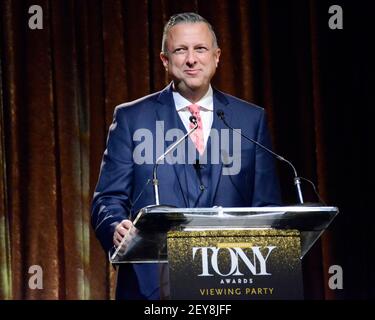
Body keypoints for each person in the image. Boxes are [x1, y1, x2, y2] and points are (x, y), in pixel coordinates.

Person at [91, 12, 282, 300]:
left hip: (233, 282)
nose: (191, 59)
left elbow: (267, 207)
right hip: (154, 287)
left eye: (200, 49)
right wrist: (116, 226)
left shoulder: (250, 120)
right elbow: (107, 200)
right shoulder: (131, 118)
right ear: (165, 60)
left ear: (216, 57)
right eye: (181, 50)